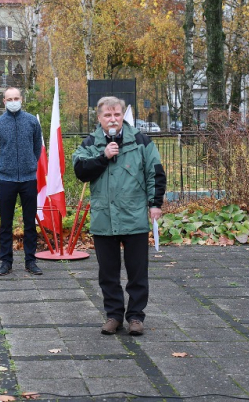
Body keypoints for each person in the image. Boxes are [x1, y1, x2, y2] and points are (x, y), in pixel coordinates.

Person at [73, 96, 166, 336]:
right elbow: (80, 171)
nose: (112, 119)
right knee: (108, 273)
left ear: (123, 115)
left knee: (137, 271)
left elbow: (155, 173)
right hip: (104, 219)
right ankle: (114, 316)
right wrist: (103, 156)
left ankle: (135, 317)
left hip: (134, 216)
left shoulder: (140, 141)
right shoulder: (90, 143)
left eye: (117, 114)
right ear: (99, 118)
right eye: (107, 115)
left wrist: (155, 204)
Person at [0, 87, 44, 276]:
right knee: (6, 223)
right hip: (6, 179)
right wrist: (5, 165)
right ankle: (6, 262)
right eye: (9, 98)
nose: (13, 101)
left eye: (16, 98)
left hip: (29, 178)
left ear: (22, 99)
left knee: (30, 223)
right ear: (4, 101)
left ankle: (31, 261)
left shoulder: (31, 122)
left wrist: (29, 164)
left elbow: (37, 147)